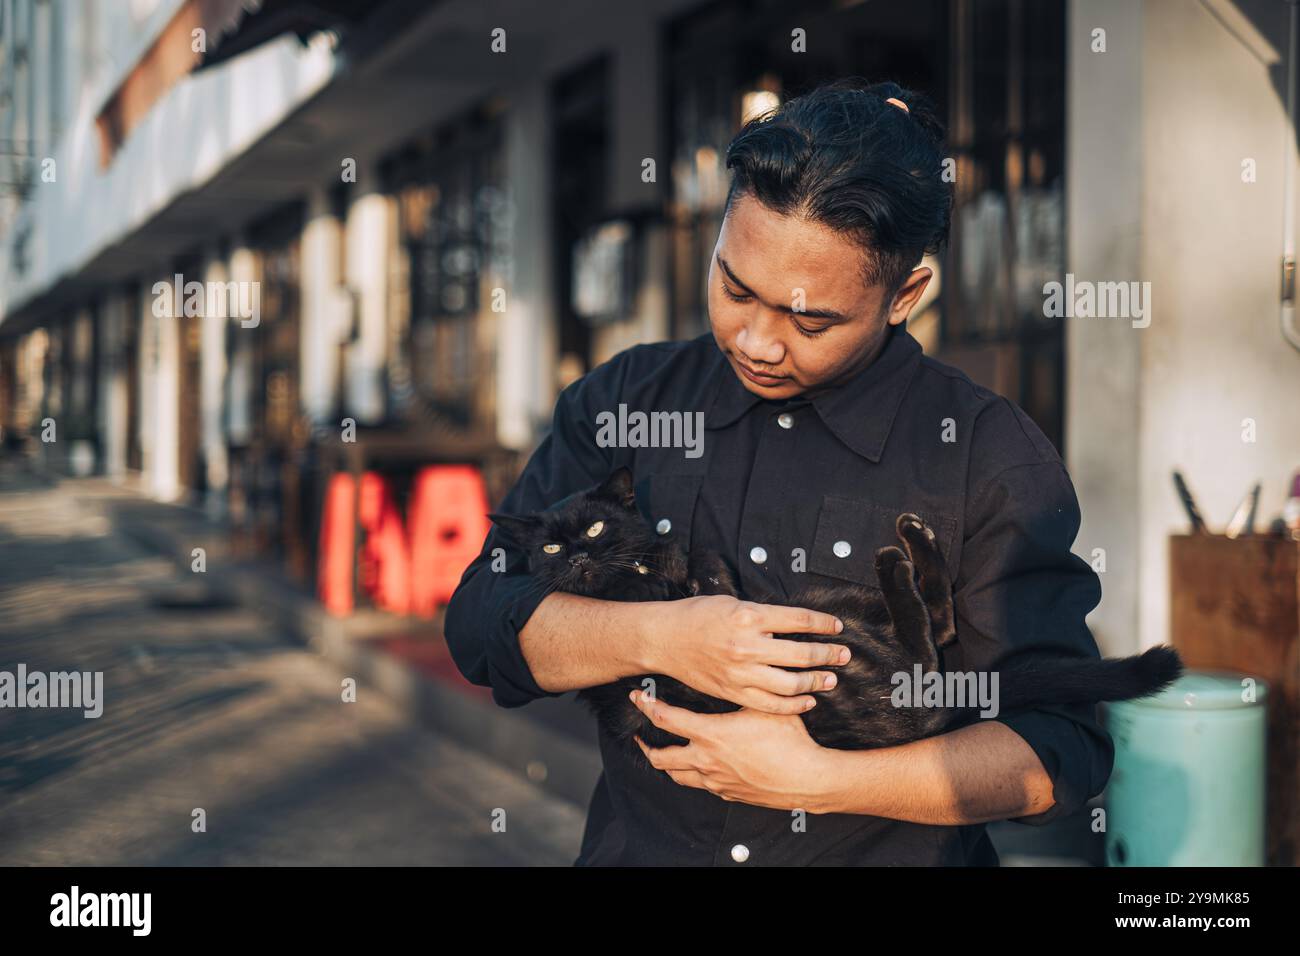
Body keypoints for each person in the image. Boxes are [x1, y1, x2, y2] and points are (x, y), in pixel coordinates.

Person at [444, 79, 1113, 865]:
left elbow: (1059, 750)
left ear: (905, 294)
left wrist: (820, 780)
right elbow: (483, 619)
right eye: (734, 287)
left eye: (809, 319)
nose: (756, 341)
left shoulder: (984, 454)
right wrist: (663, 637)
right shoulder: (627, 400)